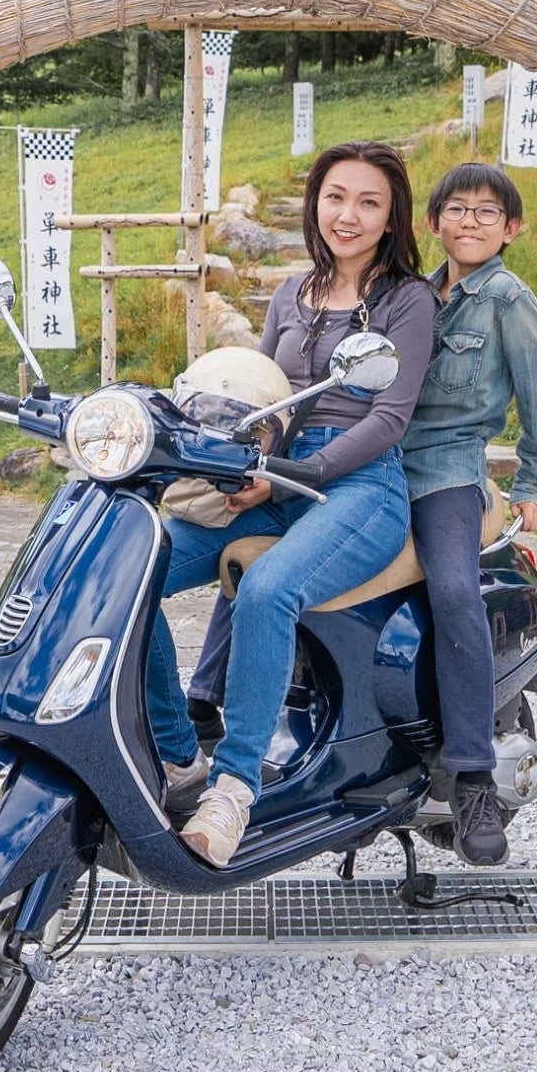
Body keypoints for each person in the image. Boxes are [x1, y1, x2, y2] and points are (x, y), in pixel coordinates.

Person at [146, 141, 435, 868]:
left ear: (392, 214)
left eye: (370, 201)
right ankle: (180, 755)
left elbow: (386, 421)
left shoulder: (408, 300)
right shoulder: (290, 293)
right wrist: (234, 459)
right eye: (337, 196)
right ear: (316, 202)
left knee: (270, 590)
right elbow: (261, 398)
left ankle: (235, 787)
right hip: (276, 476)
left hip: (362, 486)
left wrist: (292, 471)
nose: (349, 214)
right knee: (133, 565)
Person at [401, 162, 537, 865]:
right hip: (374, 461)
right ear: (432, 222)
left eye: (486, 212)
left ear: (513, 229)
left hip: (448, 470)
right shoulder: (409, 294)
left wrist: (531, 481)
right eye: (456, 209)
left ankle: (471, 778)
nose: (469, 221)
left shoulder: (507, 299)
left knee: (456, 592)